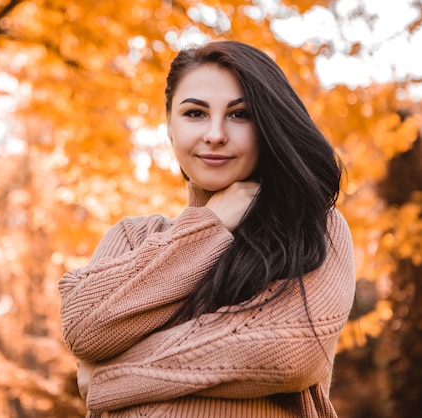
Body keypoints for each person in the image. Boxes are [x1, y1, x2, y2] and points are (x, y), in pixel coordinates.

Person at [59, 40, 356, 418]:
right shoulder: (134, 237)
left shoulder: (313, 229)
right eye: (195, 114)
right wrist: (209, 225)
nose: (215, 134)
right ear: (169, 127)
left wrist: (108, 378)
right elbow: (85, 329)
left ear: (267, 126)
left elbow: (286, 354)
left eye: (240, 114)